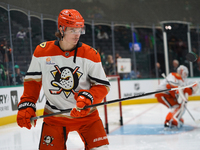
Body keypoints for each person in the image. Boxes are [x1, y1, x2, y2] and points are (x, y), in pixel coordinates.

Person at [16, 9, 110, 150]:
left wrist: (90, 97)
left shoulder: (91, 54)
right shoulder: (41, 52)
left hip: (87, 116)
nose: (77, 34)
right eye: (72, 30)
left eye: (80, 30)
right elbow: (32, 82)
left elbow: (103, 86)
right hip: (54, 117)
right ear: (61, 28)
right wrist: (27, 103)